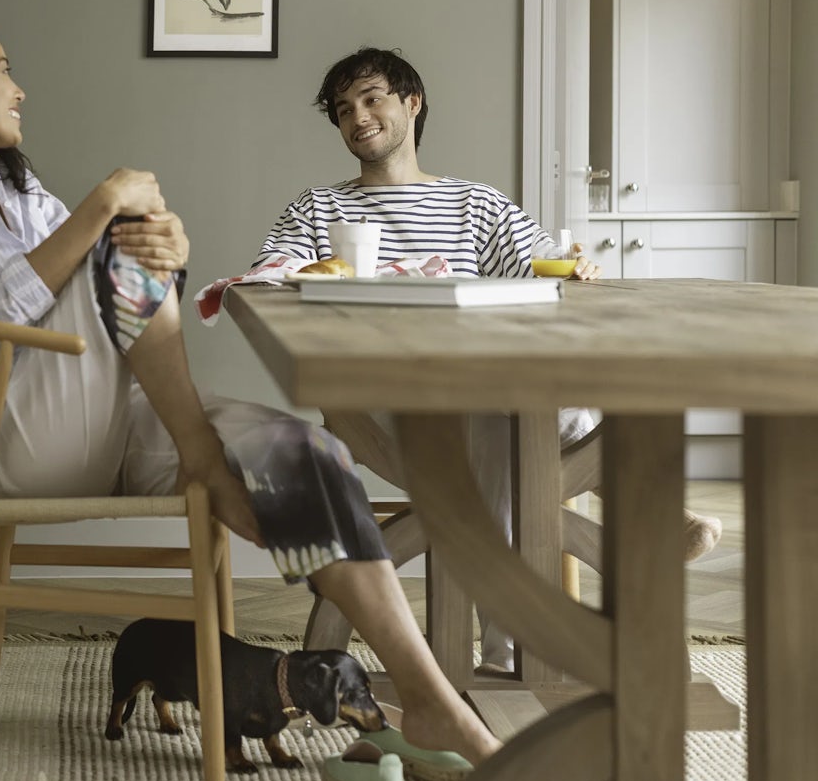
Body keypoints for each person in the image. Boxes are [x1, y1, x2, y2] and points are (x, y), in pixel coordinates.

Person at [0, 11, 502, 767]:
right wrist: (109, 212)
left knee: (301, 448)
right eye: (3, 70)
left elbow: (123, 294)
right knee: (121, 238)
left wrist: (166, 247)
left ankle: (429, 701)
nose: (19, 89)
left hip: (117, 418)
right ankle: (202, 454)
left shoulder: (18, 193)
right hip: (11, 439)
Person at [255, 46, 722, 672]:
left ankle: (506, 661)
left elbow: (543, 272)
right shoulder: (319, 210)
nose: (357, 117)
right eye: (344, 110)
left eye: (371, 99)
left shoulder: (475, 204)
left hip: (486, 398)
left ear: (411, 104)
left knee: (495, 419)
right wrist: (307, 274)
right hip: (381, 406)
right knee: (504, 413)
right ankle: (629, 528)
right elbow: (265, 277)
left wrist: (577, 268)